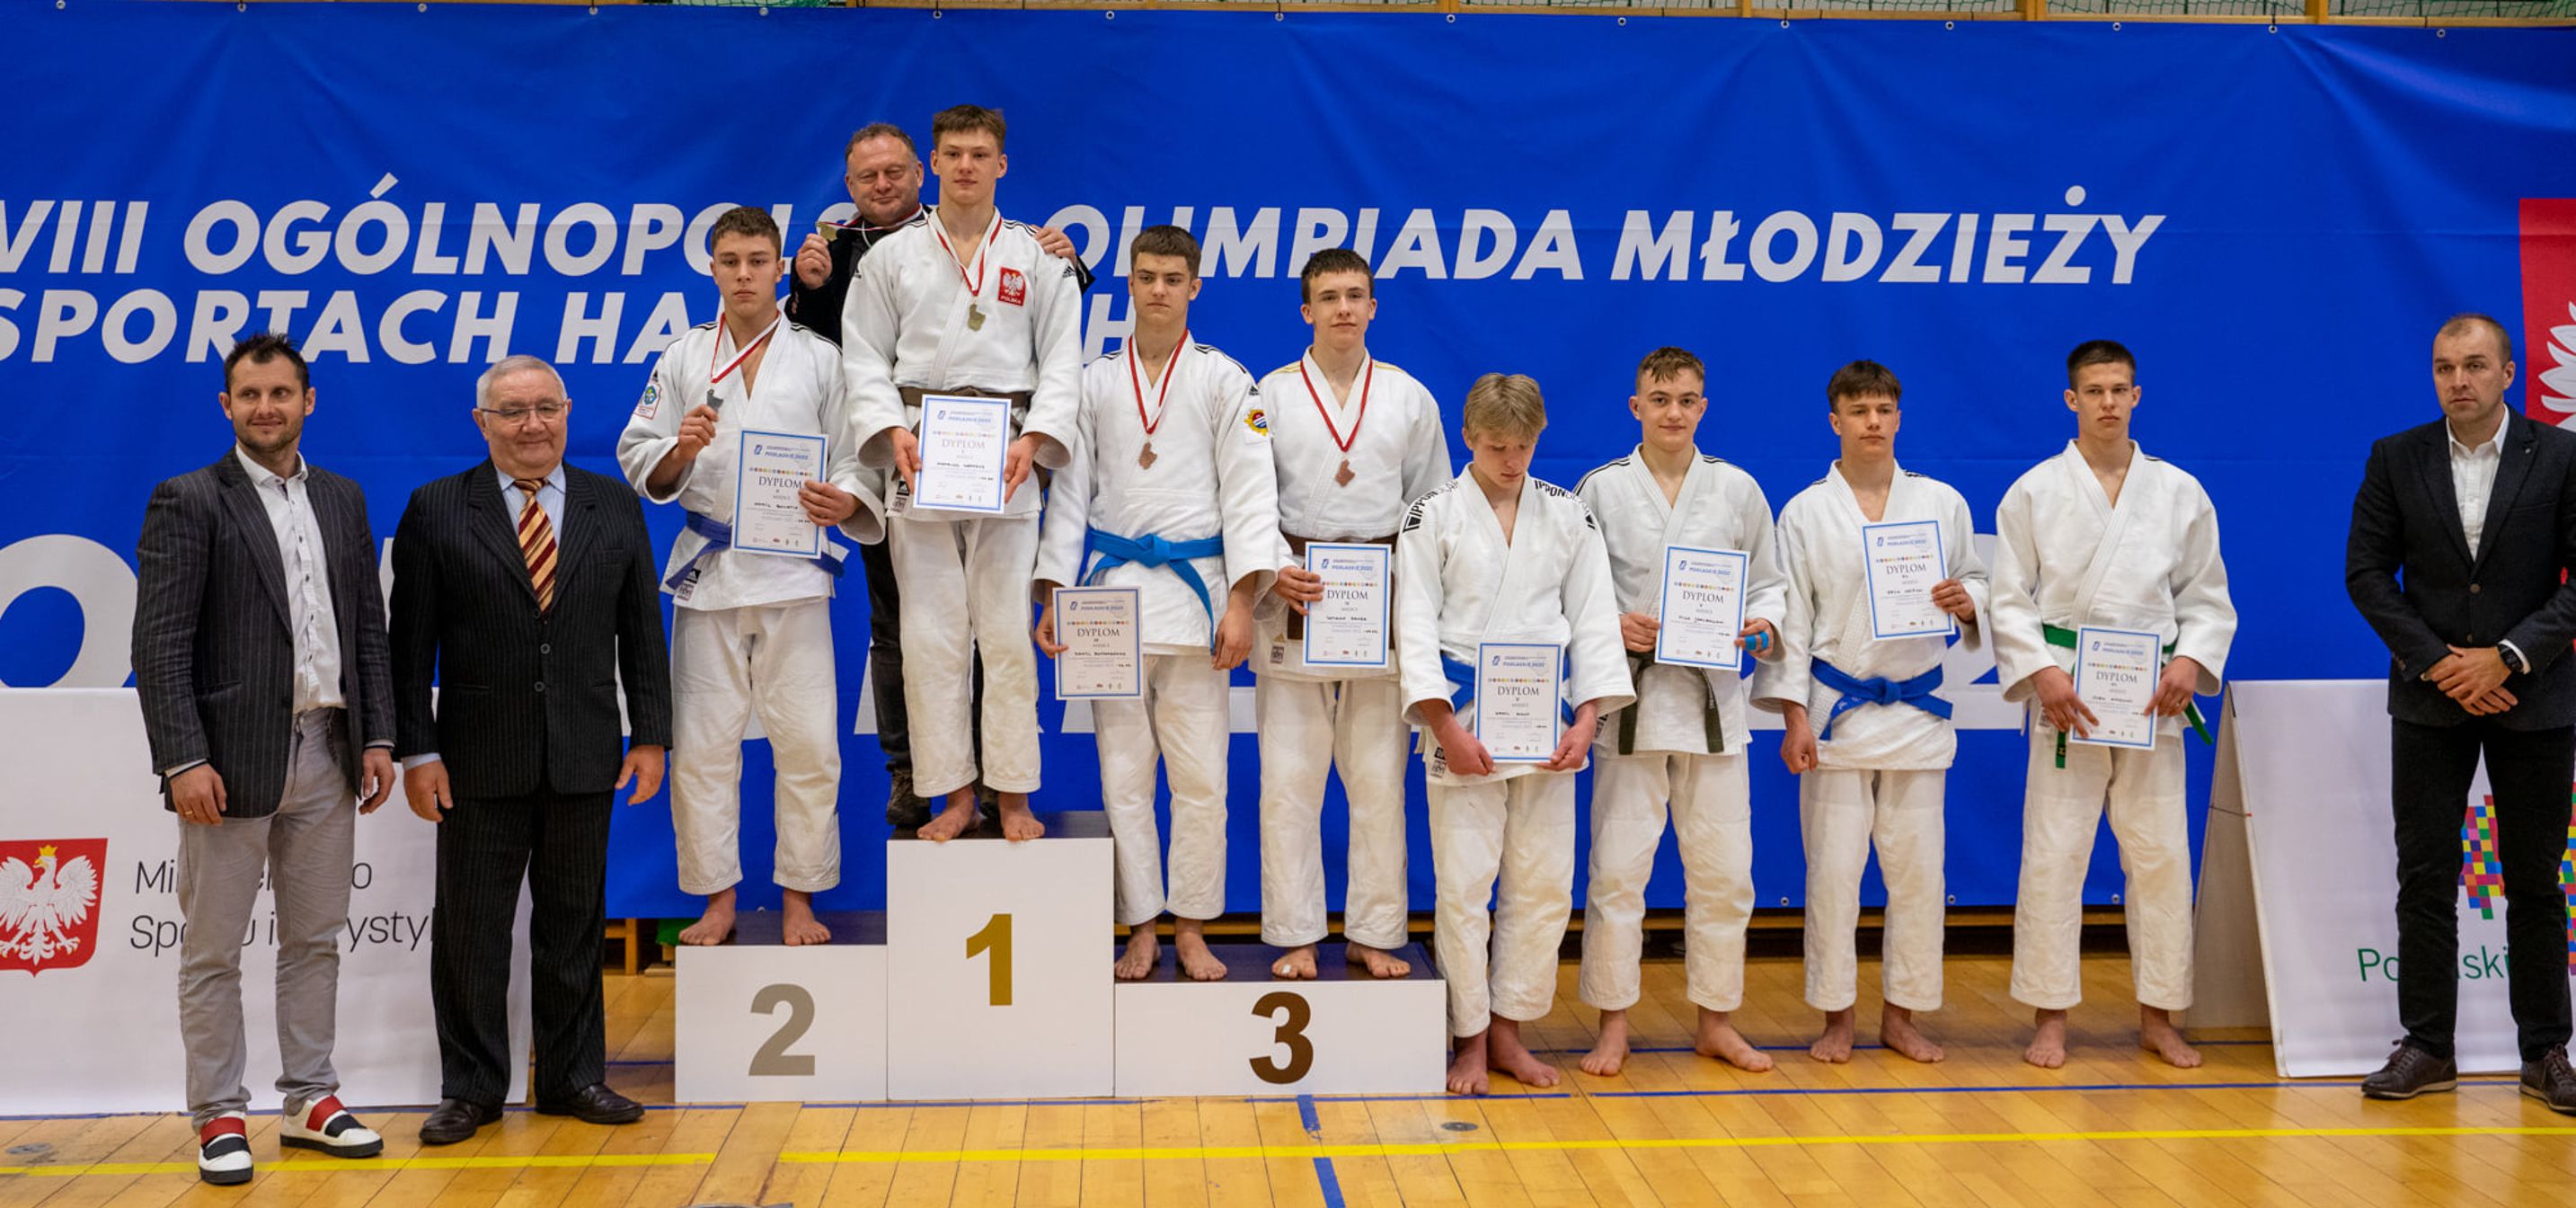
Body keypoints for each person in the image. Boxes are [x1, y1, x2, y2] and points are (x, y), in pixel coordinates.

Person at [131, 333, 394, 1184]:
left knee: (314, 940)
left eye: (281, 393)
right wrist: (182, 760)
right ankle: (218, 1112)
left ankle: (310, 1098)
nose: (266, 408)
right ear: (226, 406)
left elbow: (367, 628)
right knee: (212, 950)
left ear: (307, 401)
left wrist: (379, 735)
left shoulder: (344, 498)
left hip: (328, 748)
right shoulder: (189, 498)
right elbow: (160, 646)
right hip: (227, 761)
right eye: (249, 395)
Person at [393, 355, 673, 1143]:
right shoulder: (437, 508)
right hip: (475, 760)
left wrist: (652, 734)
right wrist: (417, 751)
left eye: (547, 407)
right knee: (471, 933)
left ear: (567, 412)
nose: (532, 425)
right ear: (482, 424)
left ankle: (574, 1077)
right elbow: (408, 648)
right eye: (513, 411)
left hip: (585, 752)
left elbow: (641, 634)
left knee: (574, 927)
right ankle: (472, 1089)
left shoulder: (613, 504)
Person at [790, 121, 1087, 829]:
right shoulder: (889, 257)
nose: (965, 166)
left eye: (979, 155)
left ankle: (1011, 792)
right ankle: (951, 793)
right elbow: (863, 356)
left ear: (1001, 164)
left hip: (1006, 452)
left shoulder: (1036, 256)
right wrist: (889, 428)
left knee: (1006, 634)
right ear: (934, 163)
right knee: (929, 637)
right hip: (920, 449)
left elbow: (1062, 359)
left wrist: (1036, 437)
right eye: (953, 154)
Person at [617, 207, 875, 946]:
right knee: (703, 749)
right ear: (711, 268)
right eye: (729, 261)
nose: (743, 275)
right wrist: (679, 450)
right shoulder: (682, 357)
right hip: (711, 574)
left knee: (809, 747)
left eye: (757, 261)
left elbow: (857, 453)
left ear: (779, 267)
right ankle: (717, 898)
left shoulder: (820, 357)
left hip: (795, 574)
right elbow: (638, 454)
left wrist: (846, 498)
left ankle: (800, 897)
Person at [1033, 226, 1278, 982]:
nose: (1159, 290)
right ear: (1130, 284)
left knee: (1201, 780)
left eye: (1173, 279)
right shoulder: (1093, 382)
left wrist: (1242, 602)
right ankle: (1141, 924)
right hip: (1108, 602)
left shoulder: (1225, 380)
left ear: (1194, 287)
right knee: (1123, 779)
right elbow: (1069, 495)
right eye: (1146, 277)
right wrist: (1053, 591)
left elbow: (1250, 498)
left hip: (1197, 599)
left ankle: (1193, 926)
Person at [2345, 313, 2576, 1111]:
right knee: (2424, 877)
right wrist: (2440, 662)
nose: (2458, 380)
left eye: (2474, 365)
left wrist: (2507, 655)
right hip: (2429, 698)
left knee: (2535, 881)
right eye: (2444, 367)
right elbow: (2365, 573)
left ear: (2508, 373)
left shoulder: (2561, 455)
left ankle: (2544, 1052)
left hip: (2533, 696)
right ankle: (2427, 1047)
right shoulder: (2395, 456)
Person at [1991, 339, 2235, 1070]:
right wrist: (2040, 671)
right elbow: (2008, 599)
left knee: (2160, 858)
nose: (2106, 402)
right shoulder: (2033, 491)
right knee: (2053, 857)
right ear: (2071, 400)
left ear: (2136, 396)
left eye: (2118, 390)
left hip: (2152, 698)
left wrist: (2189, 661)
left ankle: (2159, 1015)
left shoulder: (2179, 492)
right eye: (2093, 391)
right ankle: (2049, 1018)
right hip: (2067, 696)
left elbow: (2206, 598)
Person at [1396, 372, 1632, 1096]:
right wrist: (1442, 724)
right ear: (1468, 437)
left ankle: (1508, 1033)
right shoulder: (1431, 515)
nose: (1510, 460)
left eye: (1523, 446)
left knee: (1543, 886)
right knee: (1464, 889)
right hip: (1463, 720)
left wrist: (1588, 718)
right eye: (1497, 445)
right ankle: (1467, 1038)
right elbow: (1414, 625)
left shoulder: (1567, 513)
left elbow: (1594, 619)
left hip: (1547, 723)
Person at [1754, 360, 1987, 1065]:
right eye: (1858, 411)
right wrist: (1793, 716)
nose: (1873, 422)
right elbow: (1791, 618)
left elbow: (1977, 578)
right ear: (1835, 421)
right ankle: (1836, 1015)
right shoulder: (1804, 511)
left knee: (1918, 876)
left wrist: (1967, 602)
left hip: (1916, 712)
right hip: (1837, 710)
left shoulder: (1940, 502)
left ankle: (1902, 1016)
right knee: (1831, 875)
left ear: (1898, 417)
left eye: (1883, 409)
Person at [1571, 347, 1785, 1077]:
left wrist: (1761, 626)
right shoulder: (1600, 490)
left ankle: (1715, 1021)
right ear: (1635, 407)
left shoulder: (1736, 489)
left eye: (1686, 399)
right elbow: (1574, 589)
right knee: (1616, 875)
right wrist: (1611, 623)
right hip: (1631, 708)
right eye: (1659, 399)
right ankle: (1612, 1024)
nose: (1673, 412)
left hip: (1713, 709)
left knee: (1725, 875)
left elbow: (1769, 585)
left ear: (1703, 407)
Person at [1253, 248, 1452, 982]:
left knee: (1376, 784)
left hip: (1379, 603)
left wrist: (1410, 594)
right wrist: (1271, 564)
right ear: (1305, 310)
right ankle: (1294, 932)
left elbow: (1430, 508)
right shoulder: (1269, 395)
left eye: (1355, 295)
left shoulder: (1408, 396)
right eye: (1329, 296)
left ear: (1373, 307)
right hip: (1294, 595)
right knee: (1288, 782)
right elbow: (1246, 496)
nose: (1343, 308)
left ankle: (1375, 931)